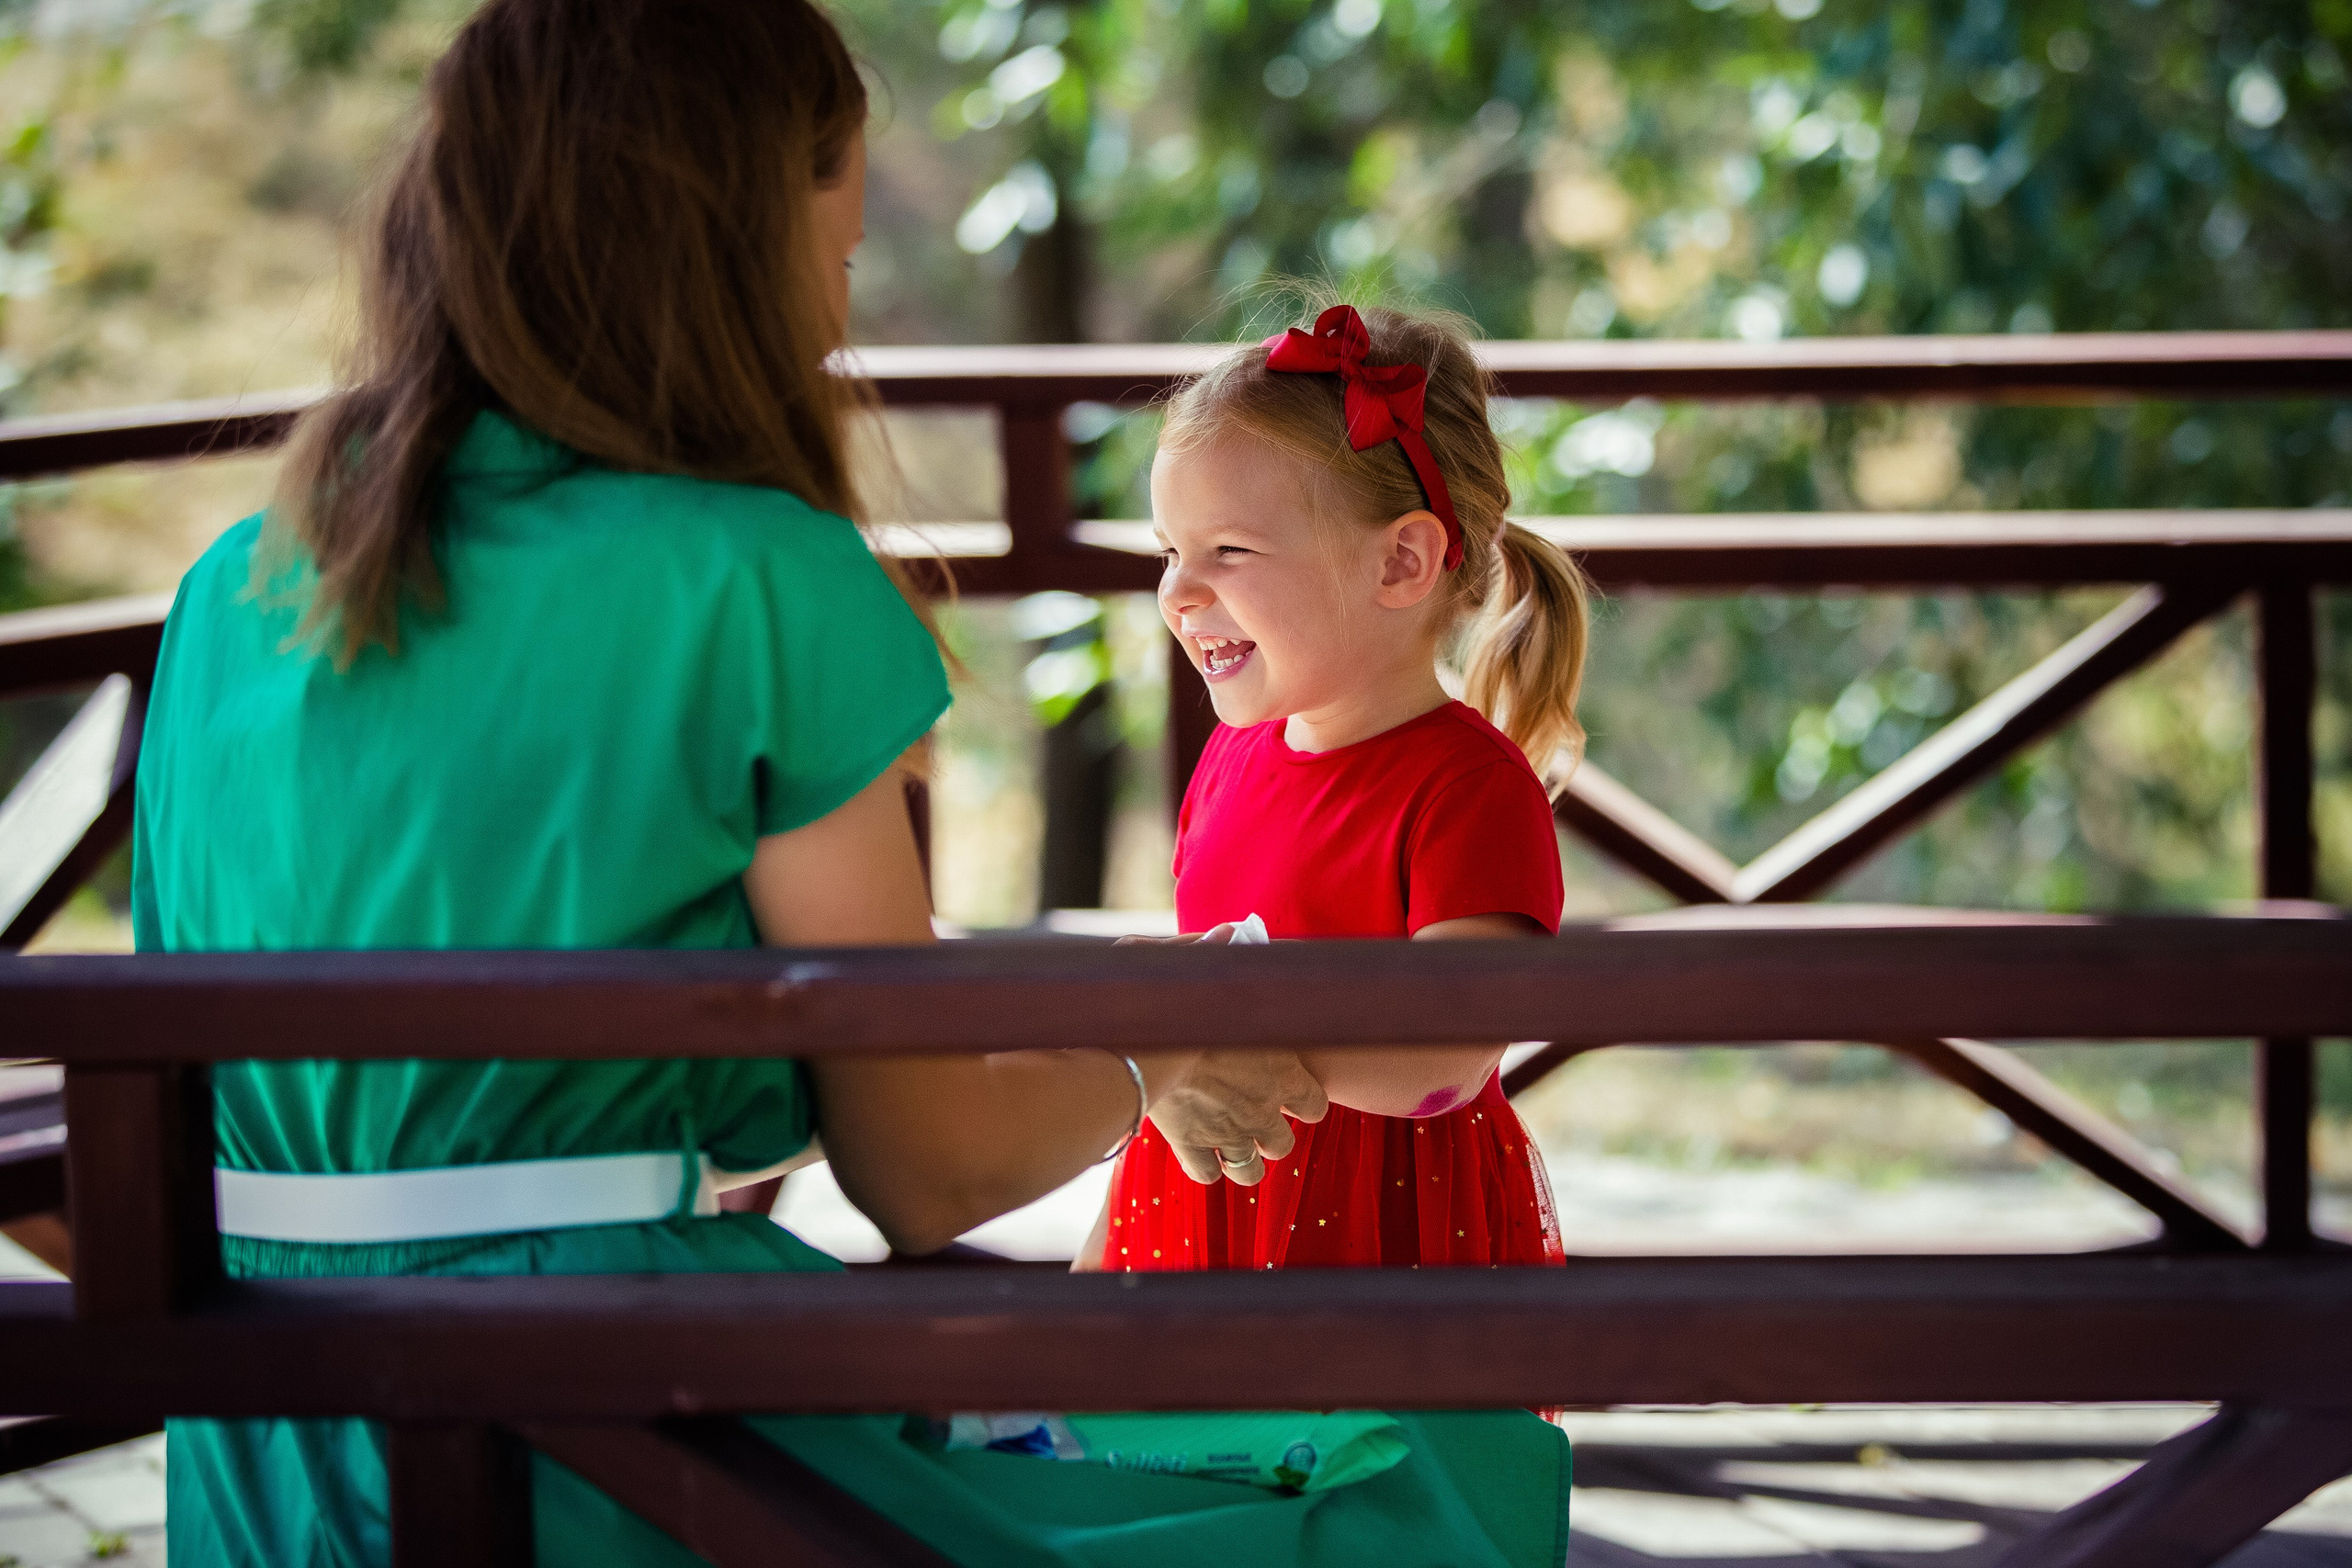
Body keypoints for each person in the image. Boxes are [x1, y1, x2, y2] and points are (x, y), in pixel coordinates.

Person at [131, 4, 1566, 1563]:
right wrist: (1160, 1053)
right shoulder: (756, 579)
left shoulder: (235, 585)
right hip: (613, 1438)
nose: (835, 311)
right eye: (835, 256)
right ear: (726, 248)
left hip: (267, 1437)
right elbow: (925, 1169)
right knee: (1356, 1513)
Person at [1089, 302, 1588, 1275]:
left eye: (1227, 551)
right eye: (1168, 552)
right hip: (1209, 1213)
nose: (1177, 593)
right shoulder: (1229, 764)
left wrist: (1222, 1032)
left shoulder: (1467, 791)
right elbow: (1184, 1076)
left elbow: (1449, 1054)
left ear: (1399, 561)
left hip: (1386, 1240)